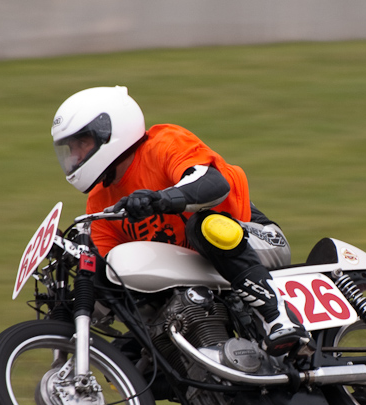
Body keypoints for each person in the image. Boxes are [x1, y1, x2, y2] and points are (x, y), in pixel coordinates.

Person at [51, 86, 308, 356]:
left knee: (202, 226)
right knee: (128, 353)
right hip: (200, 270)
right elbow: (112, 272)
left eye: (81, 143)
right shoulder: (99, 202)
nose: (75, 156)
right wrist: (71, 298)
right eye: (71, 148)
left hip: (254, 239)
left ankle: (279, 315)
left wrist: (160, 198)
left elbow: (211, 183)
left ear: (107, 132)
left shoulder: (163, 143)